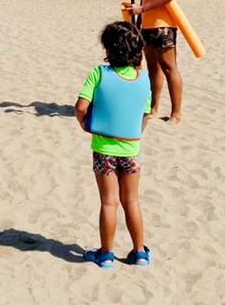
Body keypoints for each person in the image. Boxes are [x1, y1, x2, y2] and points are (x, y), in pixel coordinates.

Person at [74, 21, 151, 269]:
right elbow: (145, 114)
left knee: (109, 202)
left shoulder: (99, 73)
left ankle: (106, 254)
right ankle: (139, 252)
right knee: (132, 201)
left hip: (104, 149)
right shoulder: (144, 79)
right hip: (131, 150)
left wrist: (84, 124)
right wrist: (134, 133)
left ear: (108, 48)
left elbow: (81, 107)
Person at [123, 0, 183, 125]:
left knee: (169, 67)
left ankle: (176, 114)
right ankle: (154, 108)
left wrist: (143, 9)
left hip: (164, 23)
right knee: (152, 68)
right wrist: (138, 20)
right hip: (147, 23)